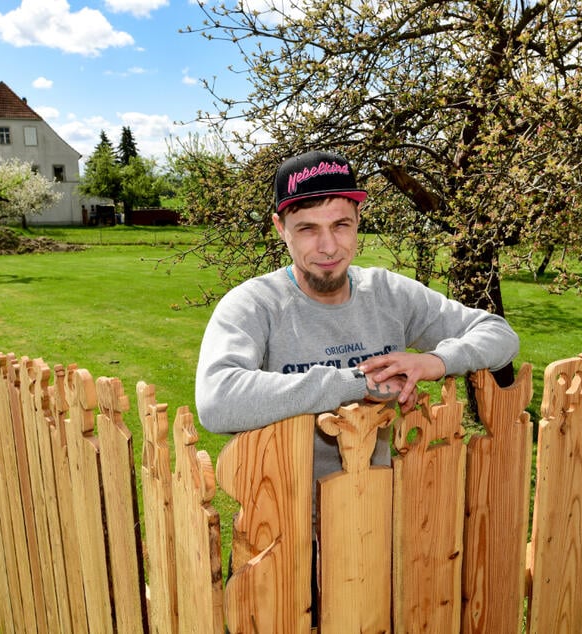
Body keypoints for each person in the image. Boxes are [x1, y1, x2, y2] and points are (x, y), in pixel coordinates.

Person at [196, 148, 519, 486]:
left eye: (341, 225)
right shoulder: (254, 304)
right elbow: (216, 400)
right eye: (308, 229)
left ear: (358, 220)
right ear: (280, 228)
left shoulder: (388, 293)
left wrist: (434, 361)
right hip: (283, 524)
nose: (329, 246)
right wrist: (356, 382)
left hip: (373, 514)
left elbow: (499, 334)